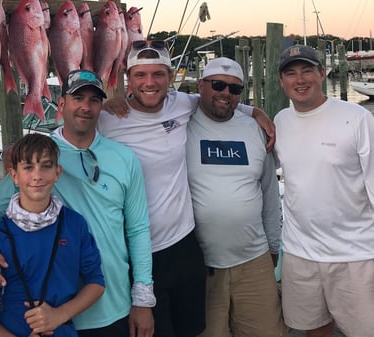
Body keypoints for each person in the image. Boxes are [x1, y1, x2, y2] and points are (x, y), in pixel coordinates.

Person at [97, 40, 275, 337]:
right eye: (141, 75)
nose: (150, 83)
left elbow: (220, 102)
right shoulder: (108, 119)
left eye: (158, 75)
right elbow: (66, 139)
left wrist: (256, 111)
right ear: (129, 78)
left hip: (185, 248)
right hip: (136, 250)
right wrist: (15, 151)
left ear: (170, 78)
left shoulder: (181, 105)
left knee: (193, 330)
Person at [0, 70, 155, 337]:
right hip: (51, 315)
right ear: (61, 104)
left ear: (101, 106)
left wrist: (143, 298)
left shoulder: (125, 158)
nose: (86, 106)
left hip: (113, 305)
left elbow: (138, 229)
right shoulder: (38, 154)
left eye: (94, 100)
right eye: (78, 98)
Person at [0, 133, 105, 336]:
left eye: (46, 166)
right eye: (28, 167)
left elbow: (96, 282)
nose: (37, 175)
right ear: (14, 175)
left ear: (57, 172)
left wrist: (59, 314)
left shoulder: (74, 224)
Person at [274, 45, 374, 337]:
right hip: (299, 253)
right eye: (291, 73)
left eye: (307, 70)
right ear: (282, 82)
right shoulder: (280, 121)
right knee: (313, 329)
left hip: (355, 254)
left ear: (322, 73)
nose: (300, 79)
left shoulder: (357, 117)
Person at [186, 57, 287, 336]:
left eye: (235, 89)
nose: (226, 93)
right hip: (202, 264)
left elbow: (268, 191)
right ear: (201, 86)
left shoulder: (255, 128)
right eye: (218, 85)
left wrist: (274, 246)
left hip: (253, 260)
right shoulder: (181, 123)